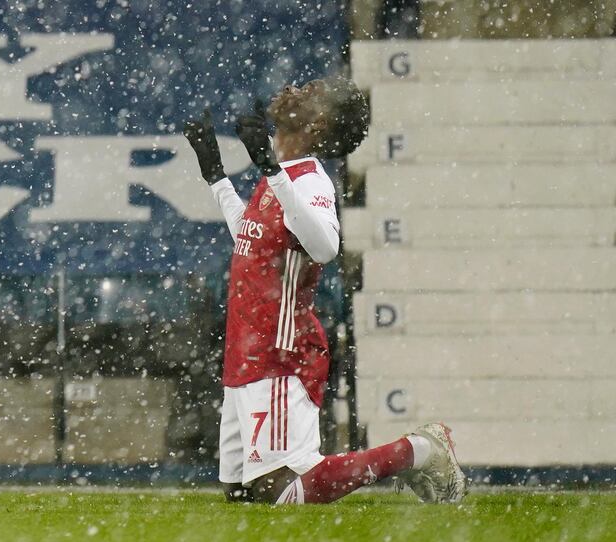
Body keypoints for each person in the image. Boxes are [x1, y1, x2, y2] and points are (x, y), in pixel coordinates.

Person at [183, 76, 467, 504]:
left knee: (277, 490)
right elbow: (251, 236)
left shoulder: (309, 180)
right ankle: (415, 452)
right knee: (242, 489)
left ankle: (419, 451)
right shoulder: (282, 175)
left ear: (315, 126)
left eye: (307, 93)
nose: (293, 90)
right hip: (246, 348)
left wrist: (271, 171)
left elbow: (326, 246)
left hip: (279, 349)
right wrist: (216, 176)